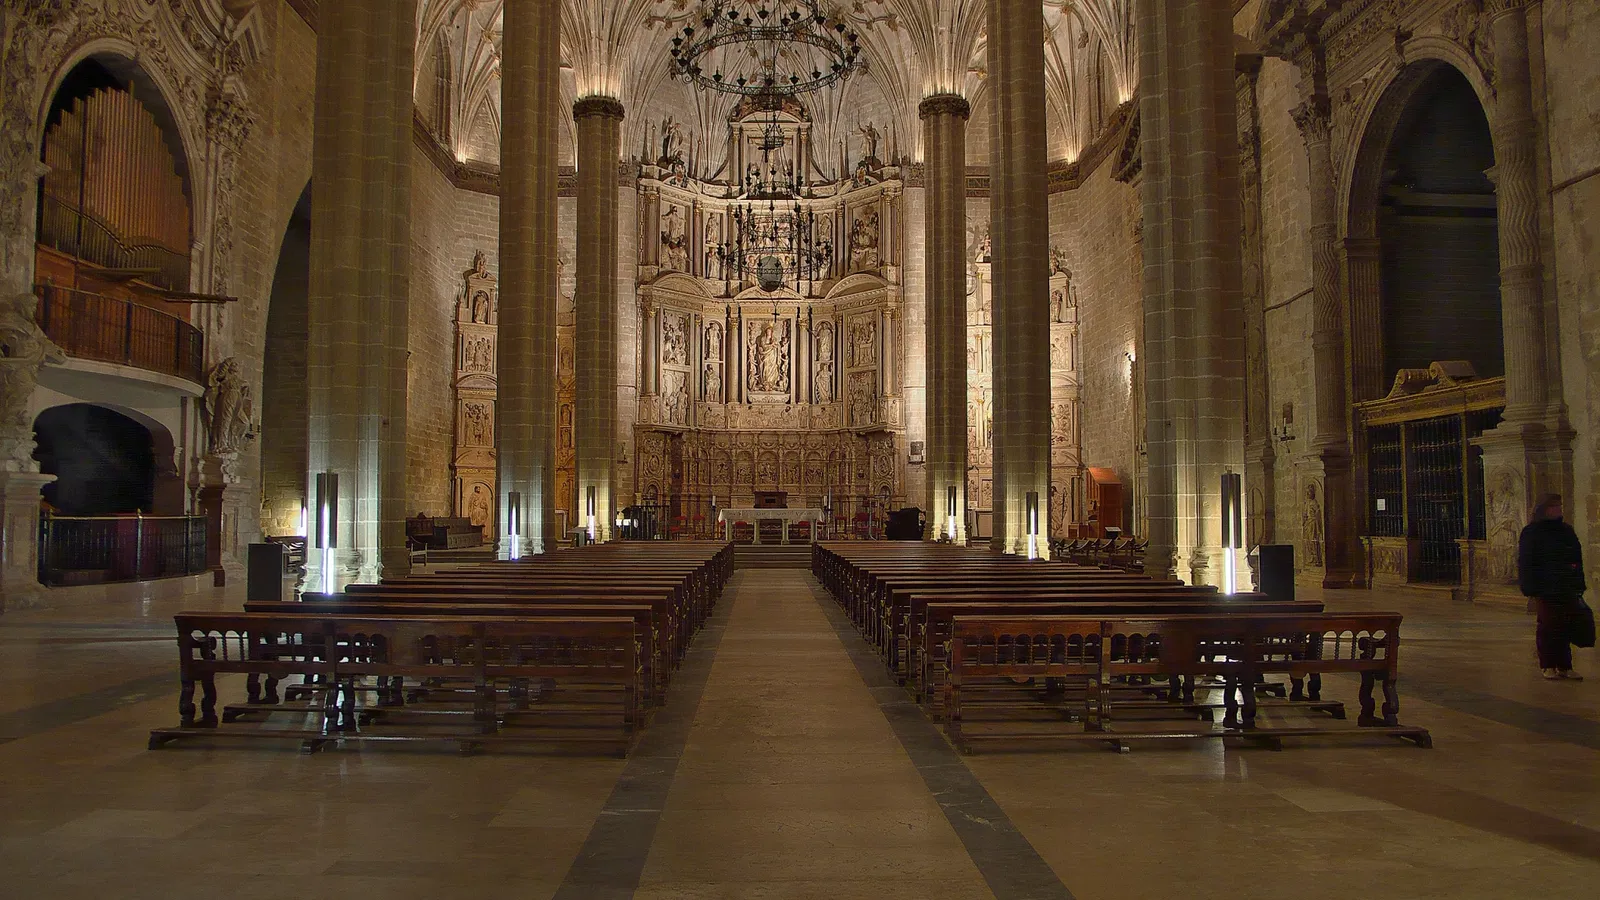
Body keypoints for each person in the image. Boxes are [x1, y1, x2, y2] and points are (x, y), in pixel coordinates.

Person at [1518, 494, 1588, 680]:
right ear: (1544, 509)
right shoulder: (1532, 532)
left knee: (1565, 625)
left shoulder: (1566, 531)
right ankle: (1548, 665)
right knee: (1548, 626)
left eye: (1559, 505)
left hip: (1566, 585)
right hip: (1545, 587)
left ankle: (1565, 666)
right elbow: (1526, 561)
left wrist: (1578, 583)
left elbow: (1576, 558)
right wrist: (1530, 588)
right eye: (1554, 506)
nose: (1558, 509)